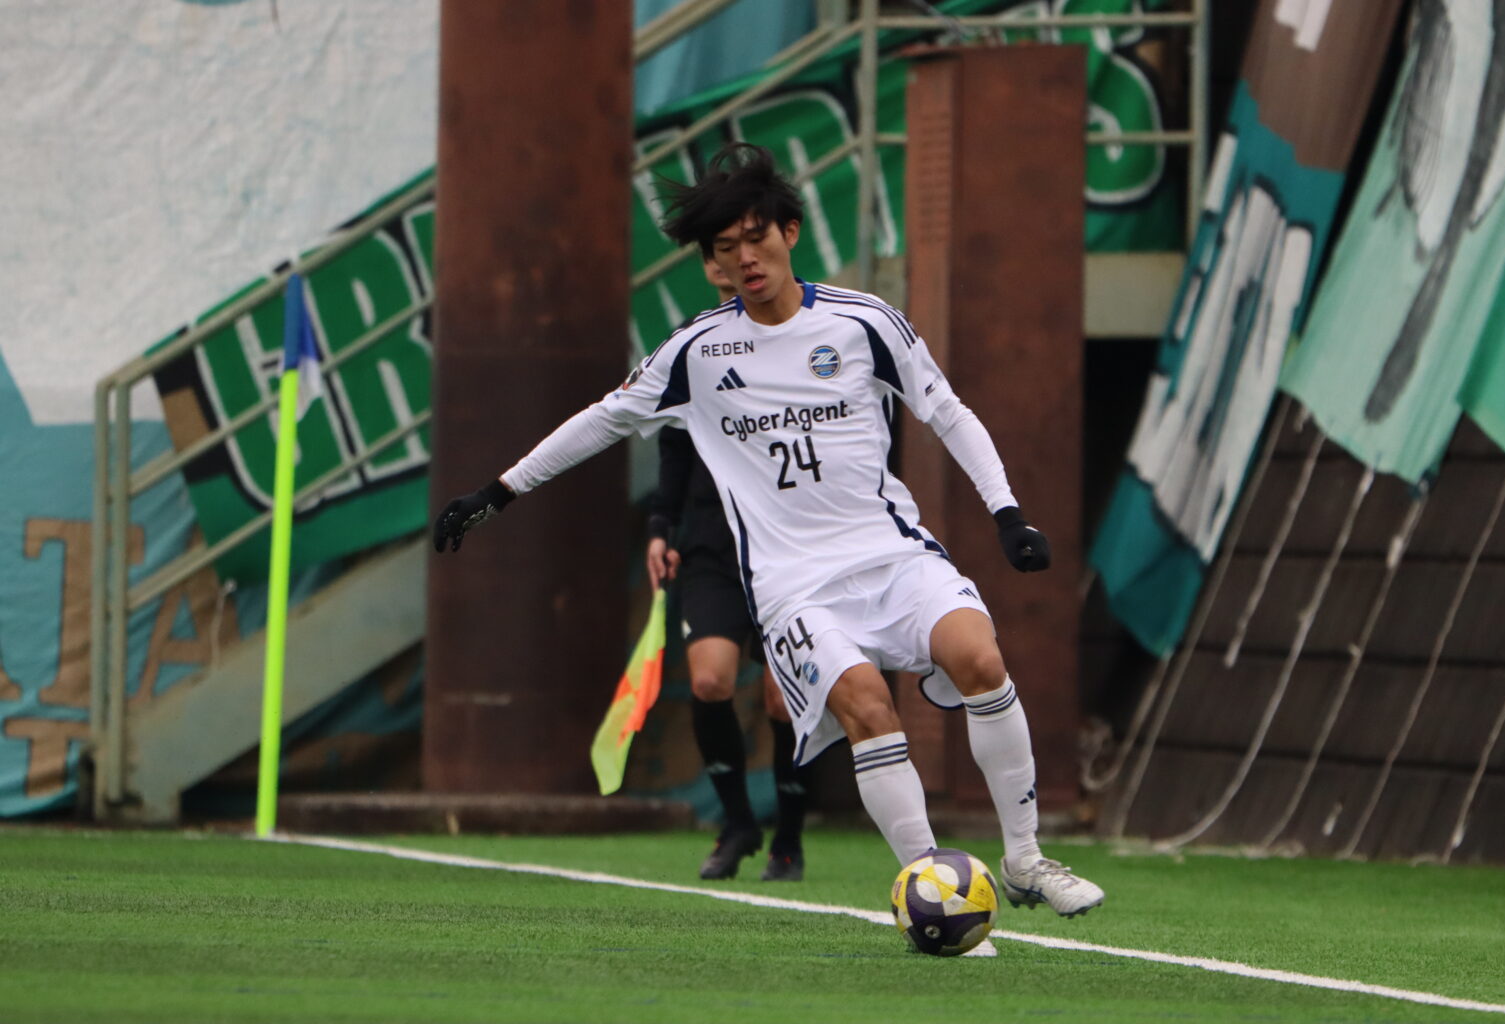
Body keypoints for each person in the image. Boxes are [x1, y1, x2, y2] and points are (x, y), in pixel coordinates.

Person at [434, 143, 1103, 918]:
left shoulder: (863, 322)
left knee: (980, 658)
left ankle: (1025, 860)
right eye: (726, 248)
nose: (745, 259)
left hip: (892, 555)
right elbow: (602, 419)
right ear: (713, 263)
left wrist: (1006, 513)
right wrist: (499, 491)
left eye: (756, 238)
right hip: (794, 586)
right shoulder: (696, 351)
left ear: (790, 232)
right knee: (866, 705)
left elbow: (947, 411)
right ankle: (933, 889)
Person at [650, 423, 810, 881]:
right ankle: (738, 825)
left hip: (789, 549)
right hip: (711, 547)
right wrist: (661, 528)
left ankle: (788, 840)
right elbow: (675, 442)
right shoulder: (695, 377)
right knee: (708, 680)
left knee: (784, 702)